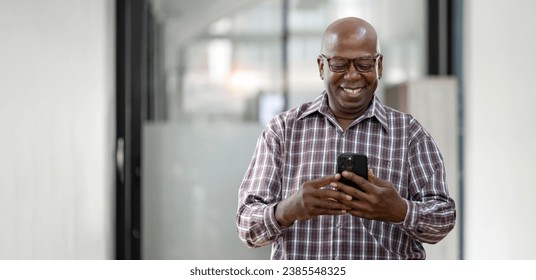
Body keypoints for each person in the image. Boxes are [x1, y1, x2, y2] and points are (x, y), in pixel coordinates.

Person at [236, 17, 456, 260]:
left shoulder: (409, 134)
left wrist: (401, 210)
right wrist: (287, 210)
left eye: (364, 64)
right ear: (321, 67)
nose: (352, 76)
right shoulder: (282, 131)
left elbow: (444, 219)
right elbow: (247, 227)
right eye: (339, 64)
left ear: (379, 66)